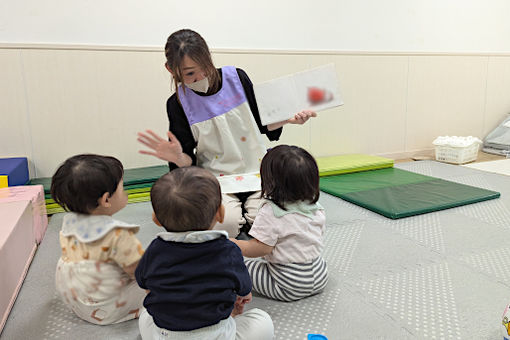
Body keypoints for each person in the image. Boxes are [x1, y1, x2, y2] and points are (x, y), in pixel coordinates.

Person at [137, 28, 316, 238]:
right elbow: (187, 163)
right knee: (225, 225)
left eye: (204, 67)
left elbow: (260, 123)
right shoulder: (177, 104)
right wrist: (177, 157)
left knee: (268, 219)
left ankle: (250, 219)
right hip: (216, 178)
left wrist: (289, 119)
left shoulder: (236, 78)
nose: (201, 77)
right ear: (171, 70)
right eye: (190, 73)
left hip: (257, 169)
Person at [135, 166, 274, 340]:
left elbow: (143, 281)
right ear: (221, 214)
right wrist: (242, 298)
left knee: (145, 315)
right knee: (262, 321)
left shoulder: (154, 249)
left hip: (165, 334)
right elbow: (244, 287)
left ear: (155, 218)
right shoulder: (228, 250)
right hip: (217, 334)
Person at [50, 154, 146, 324]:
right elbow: (138, 271)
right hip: (106, 307)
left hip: (73, 298)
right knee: (161, 281)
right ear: (106, 199)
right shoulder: (118, 235)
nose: (126, 192)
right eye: (122, 188)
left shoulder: (69, 222)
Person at [231, 145, 328, 302]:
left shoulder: (271, 211)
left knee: (237, 266)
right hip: (319, 275)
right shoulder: (316, 208)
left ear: (270, 182)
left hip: (287, 284)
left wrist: (233, 244)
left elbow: (259, 249)